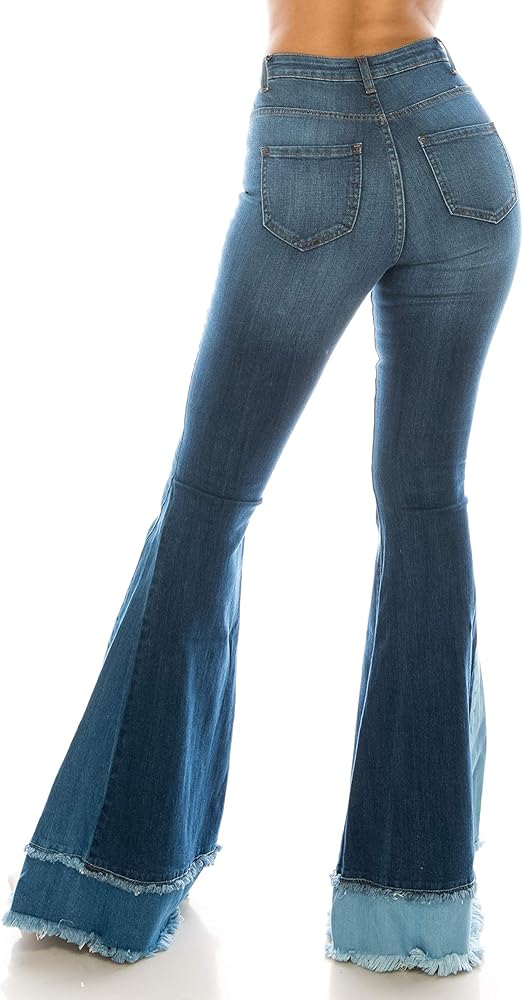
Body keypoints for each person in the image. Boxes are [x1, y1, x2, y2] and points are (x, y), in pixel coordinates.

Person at [2, 1, 520, 976]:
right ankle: (412, 905)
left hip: (311, 139)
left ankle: (114, 878)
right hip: (455, 140)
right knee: (425, 503)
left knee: (208, 500)